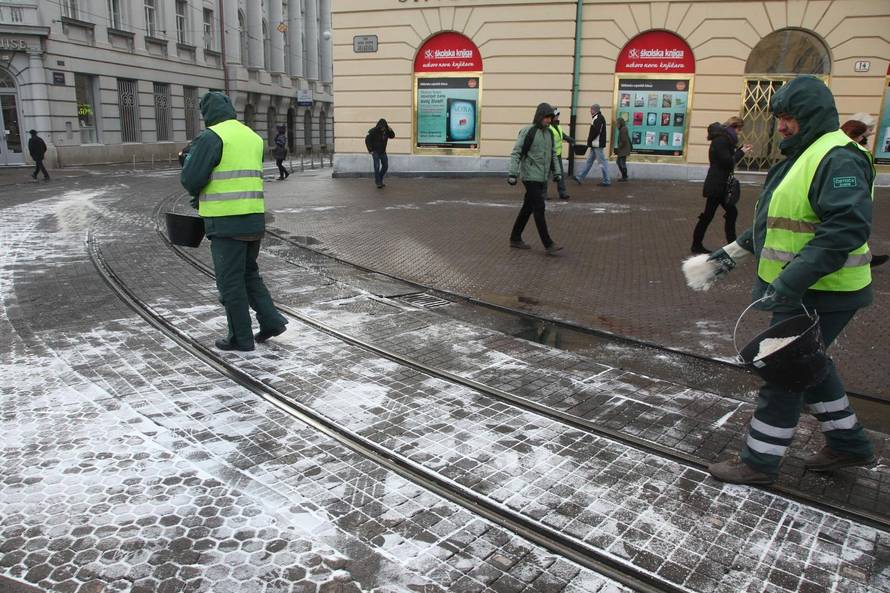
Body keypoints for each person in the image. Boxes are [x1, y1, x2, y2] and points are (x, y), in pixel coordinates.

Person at [700, 76, 876, 485]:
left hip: (822, 290)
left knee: (785, 373)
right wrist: (724, 259)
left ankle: (758, 463)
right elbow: (773, 227)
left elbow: (845, 229)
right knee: (814, 367)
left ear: (812, 116)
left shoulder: (838, 157)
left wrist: (792, 280)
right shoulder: (801, 156)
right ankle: (849, 446)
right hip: (801, 288)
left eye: (789, 118)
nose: (781, 126)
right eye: (778, 117)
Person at [180, 91, 288, 352]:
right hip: (253, 218)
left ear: (207, 113)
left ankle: (240, 337)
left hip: (226, 222)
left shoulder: (211, 137)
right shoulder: (252, 137)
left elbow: (191, 179)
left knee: (230, 283)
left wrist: (189, 161)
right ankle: (271, 321)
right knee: (249, 274)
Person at [690, 116, 752, 254]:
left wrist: (740, 150)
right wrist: (741, 152)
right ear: (734, 127)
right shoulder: (721, 140)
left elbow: (727, 159)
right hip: (717, 185)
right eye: (739, 130)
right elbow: (728, 162)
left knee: (727, 213)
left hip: (720, 184)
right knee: (710, 215)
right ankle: (700, 244)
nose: (739, 133)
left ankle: (731, 245)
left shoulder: (724, 139)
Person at [508, 102, 563, 255]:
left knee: (528, 207)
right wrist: (513, 173)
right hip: (530, 176)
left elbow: (553, 155)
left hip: (541, 176)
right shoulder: (528, 131)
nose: (549, 120)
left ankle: (515, 237)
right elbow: (516, 152)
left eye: (550, 118)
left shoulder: (549, 134)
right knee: (539, 207)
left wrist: (557, 173)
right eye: (546, 117)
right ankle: (548, 244)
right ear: (539, 116)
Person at [842, 118, 888, 268]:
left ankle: (865, 258)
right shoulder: (850, 154)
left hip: (857, 203)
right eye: (865, 137)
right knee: (848, 232)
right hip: (850, 204)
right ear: (858, 136)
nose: (866, 141)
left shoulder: (851, 151)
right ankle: (863, 260)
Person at [573, 103, 610, 186]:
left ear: (594, 110)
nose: (590, 111)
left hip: (597, 144)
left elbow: (596, 131)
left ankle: (607, 180)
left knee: (602, 163)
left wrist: (589, 140)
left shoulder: (597, 118)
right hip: (595, 144)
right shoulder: (598, 118)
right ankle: (580, 177)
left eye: (590, 109)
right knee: (589, 161)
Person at [548, 108, 574, 200]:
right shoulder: (548, 127)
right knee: (545, 175)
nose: (558, 116)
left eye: (558, 115)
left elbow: (561, 134)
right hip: (548, 155)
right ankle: (543, 194)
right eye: (556, 115)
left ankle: (562, 192)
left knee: (560, 174)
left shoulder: (557, 126)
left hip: (557, 155)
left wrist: (569, 139)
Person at [365, 118, 395, 189]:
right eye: (382, 127)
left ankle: (379, 179)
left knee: (385, 166)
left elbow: (392, 136)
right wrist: (370, 150)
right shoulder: (373, 131)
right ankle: (378, 182)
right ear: (379, 126)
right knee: (377, 166)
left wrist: (390, 130)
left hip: (383, 151)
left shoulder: (387, 131)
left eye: (384, 127)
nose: (383, 129)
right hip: (375, 151)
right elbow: (367, 140)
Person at [613, 117, 631, 182]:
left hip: (623, 149)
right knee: (619, 162)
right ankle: (624, 176)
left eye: (617, 123)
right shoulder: (623, 129)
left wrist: (619, 147)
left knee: (621, 162)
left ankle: (624, 176)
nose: (616, 125)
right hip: (623, 149)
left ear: (620, 123)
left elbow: (623, 140)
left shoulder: (623, 129)